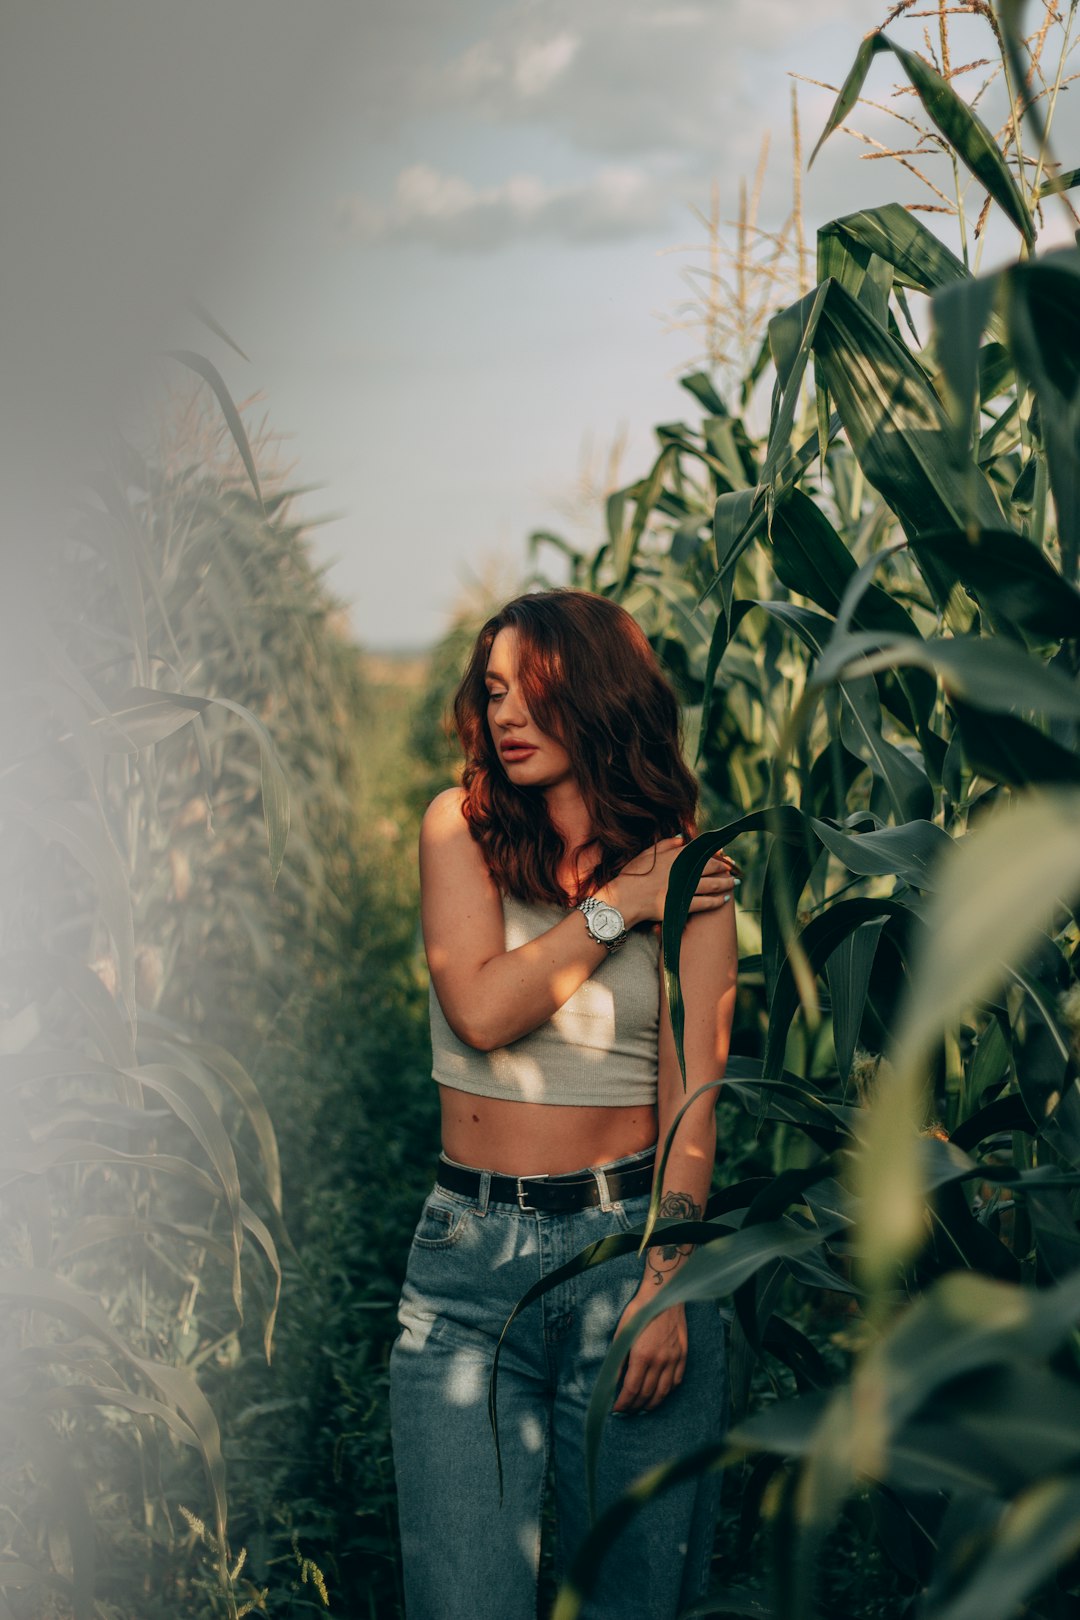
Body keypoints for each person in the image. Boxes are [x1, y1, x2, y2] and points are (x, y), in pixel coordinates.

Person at [390, 588, 739, 1620]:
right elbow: (485, 1008)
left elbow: (697, 1099)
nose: (503, 715)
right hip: (466, 1273)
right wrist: (619, 905)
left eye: (529, 690)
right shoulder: (462, 827)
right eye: (490, 691)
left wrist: (669, 1282)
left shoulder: (693, 871)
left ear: (591, 694)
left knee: (635, 1603)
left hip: (630, 1258)